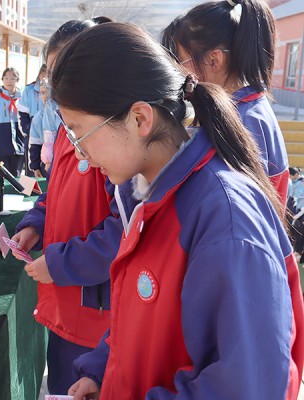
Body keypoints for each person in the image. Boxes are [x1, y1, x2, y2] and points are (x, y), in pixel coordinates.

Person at [33, 22, 303, 400]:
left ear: (140, 119)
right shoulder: (149, 195)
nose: (81, 154)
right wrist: (104, 370)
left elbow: (251, 385)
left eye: (81, 135)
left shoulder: (224, 219)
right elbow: (144, 316)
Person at [11, 17, 114, 395]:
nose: (58, 85)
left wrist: (60, 264)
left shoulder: (111, 135)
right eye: (52, 73)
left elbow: (126, 229)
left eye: (67, 70)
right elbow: (54, 190)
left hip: (99, 312)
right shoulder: (67, 126)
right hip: (65, 304)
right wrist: (34, 224)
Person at [161, 0, 289, 204]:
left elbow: (237, 210)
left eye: (181, 62)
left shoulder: (241, 121)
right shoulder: (248, 109)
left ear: (214, 60)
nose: (180, 72)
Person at [18, 64, 48, 177]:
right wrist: (29, 131)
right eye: (43, 77)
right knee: (33, 171)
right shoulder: (29, 90)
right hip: (33, 135)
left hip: (50, 138)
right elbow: (22, 114)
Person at [28, 78, 61, 178]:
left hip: (62, 157)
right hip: (47, 162)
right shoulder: (38, 118)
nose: (45, 95)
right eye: (42, 92)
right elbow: (35, 143)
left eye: (48, 91)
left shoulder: (61, 111)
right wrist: (35, 166)